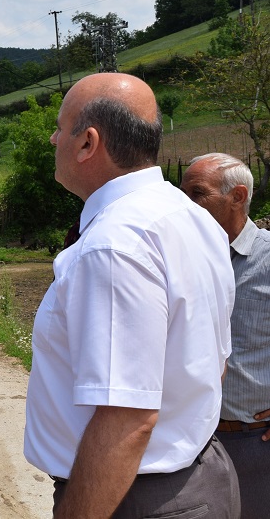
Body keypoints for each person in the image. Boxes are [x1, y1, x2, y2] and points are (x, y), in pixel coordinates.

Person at [23, 73, 239, 518]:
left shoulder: (114, 244)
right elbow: (211, 366)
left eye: (60, 128)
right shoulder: (189, 217)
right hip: (201, 476)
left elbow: (127, 418)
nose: (52, 138)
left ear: (87, 143)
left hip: (135, 498)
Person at [181, 152, 270, 519]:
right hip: (189, 441)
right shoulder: (183, 259)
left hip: (253, 442)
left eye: (197, 193)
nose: (185, 203)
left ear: (237, 196)